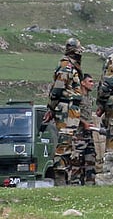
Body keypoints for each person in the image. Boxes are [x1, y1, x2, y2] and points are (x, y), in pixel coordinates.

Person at [44, 37, 84, 186]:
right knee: (64, 143)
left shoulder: (72, 66)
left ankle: (68, 178)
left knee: (70, 144)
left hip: (72, 109)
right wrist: (51, 108)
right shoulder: (66, 66)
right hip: (66, 109)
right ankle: (60, 178)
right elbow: (57, 89)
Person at [69, 72, 97, 186]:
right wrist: (84, 123)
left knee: (91, 158)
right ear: (83, 83)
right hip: (79, 134)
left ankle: (90, 183)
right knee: (77, 160)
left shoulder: (89, 98)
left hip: (88, 133)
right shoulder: (77, 96)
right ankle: (75, 184)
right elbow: (72, 112)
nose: (92, 84)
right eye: (90, 81)